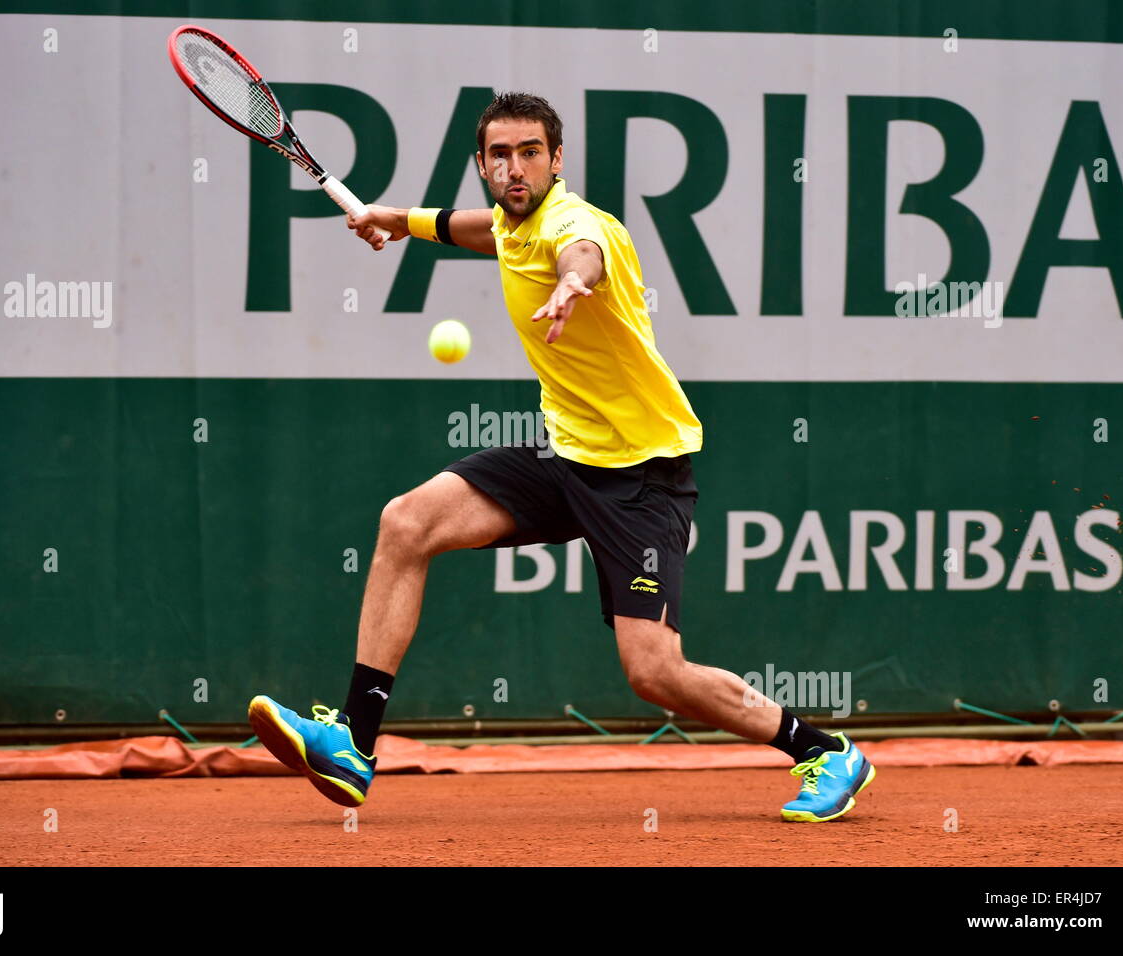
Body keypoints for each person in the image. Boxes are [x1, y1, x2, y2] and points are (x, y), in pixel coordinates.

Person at [248, 91, 876, 822]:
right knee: (406, 522)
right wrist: (398, 220)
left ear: (557, 160)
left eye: (530, 153)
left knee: (654, 673)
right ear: (482, 165)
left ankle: (826, 751)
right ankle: (354, 741)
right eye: (500, 156)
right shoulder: (516, 223)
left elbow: (583, 252)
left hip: (641, 477)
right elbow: (482, 230)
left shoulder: (577, 225)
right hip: (563, 454)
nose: (516, 169)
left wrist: (576, 280)